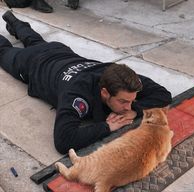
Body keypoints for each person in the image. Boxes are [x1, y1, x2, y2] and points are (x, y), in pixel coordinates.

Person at [0, 11, 172, 154]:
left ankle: (14, 22)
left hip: (59, 51)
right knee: (4, 51)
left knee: (35, 41)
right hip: (33, 63)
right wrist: (106, 127)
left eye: (132, 100)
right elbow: (63, 140)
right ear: (105, 92)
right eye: (123, 102)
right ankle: (13, 23)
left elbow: (163, 94)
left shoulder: (121, 78)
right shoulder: (77, 94)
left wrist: (135, 110)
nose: (128, 105)